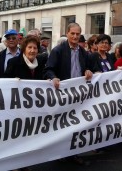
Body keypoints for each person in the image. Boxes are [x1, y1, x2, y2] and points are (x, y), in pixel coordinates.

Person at [43, 22, 98, 165]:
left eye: (77, 34)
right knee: (62, 125)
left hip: (78, 95)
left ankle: (73, 153)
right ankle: (60, 153)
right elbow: (48, 69)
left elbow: (88, 68)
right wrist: (53, 77)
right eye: (72, 33)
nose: (75, 36)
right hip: (63, 95)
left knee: (76, 125)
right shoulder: (58, 50)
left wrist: (88, 71)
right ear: (67, 33)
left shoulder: (82, 52)